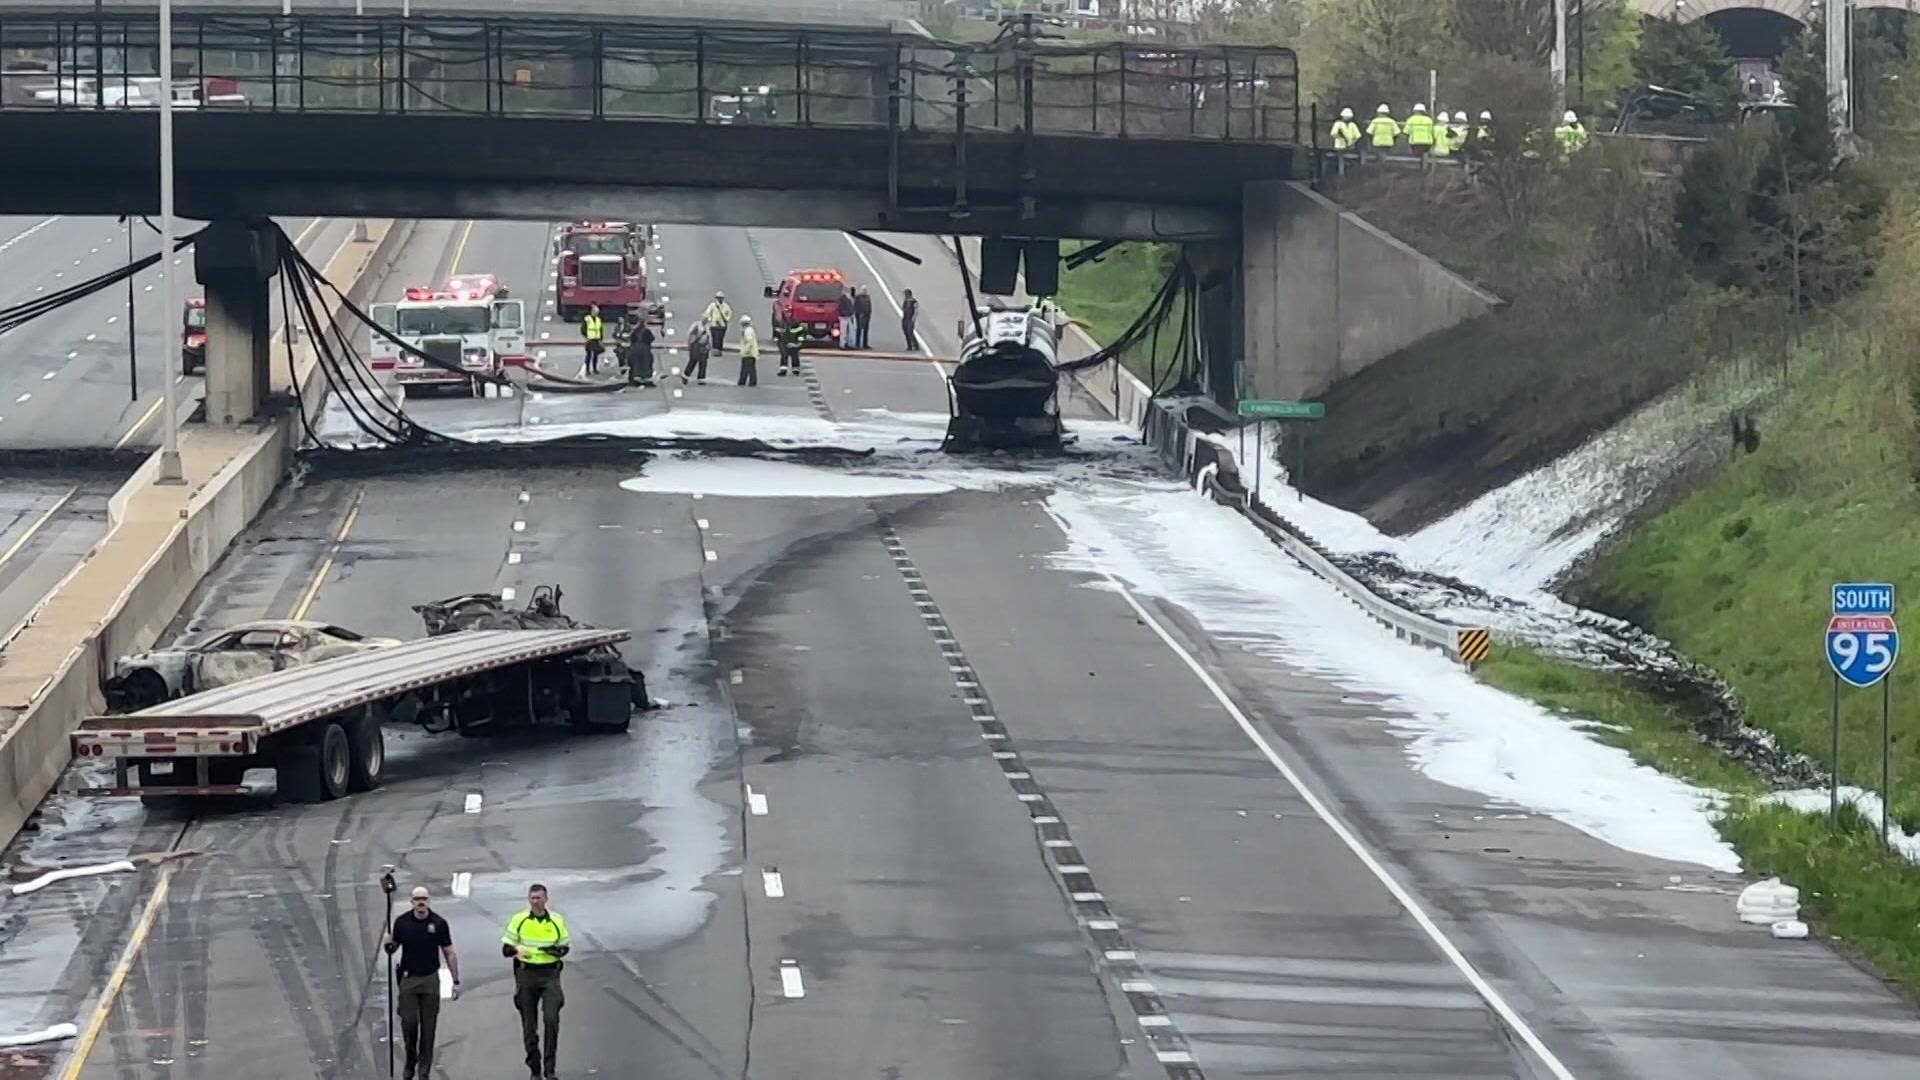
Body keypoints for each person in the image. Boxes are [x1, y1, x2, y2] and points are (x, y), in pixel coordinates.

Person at [385, 885, 460, 1080]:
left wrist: (455, 980)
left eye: (424, 899)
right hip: (409, 979)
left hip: (430, 979)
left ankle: (423, 1071)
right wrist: (389, 944)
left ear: (429, 901)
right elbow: (394, 947)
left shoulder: (439, 923)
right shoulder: (402, 923)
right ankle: (411, 1059)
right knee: (409, 1022)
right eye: (417, 899)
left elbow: (449, 952)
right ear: (411, 901)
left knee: (429, 1027)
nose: (420, 902)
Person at [502, 883, 571, 1080]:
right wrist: (517, 951)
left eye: (539, 898)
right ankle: (535, 1069)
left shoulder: (556, 920)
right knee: (529, 1026)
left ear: (546, 899)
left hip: (549, 975)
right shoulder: (519, 920)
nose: (536, 902)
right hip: (527, 976)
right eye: (532, 898)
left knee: (551, 1019)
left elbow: (565, 947)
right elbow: (505, 950)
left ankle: (550, 1070)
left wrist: (556, 951)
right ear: (529, 900)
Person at [626, 318, 656, 387]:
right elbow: (652, 338)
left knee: (634, 364)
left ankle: (633, 378)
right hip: (644, 350)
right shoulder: (647, 331)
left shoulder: (635, 331)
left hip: (635, 349)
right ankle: (645, 377)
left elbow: (631, 339)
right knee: (647, 363)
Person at [683, 320, 711, 385]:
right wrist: (689, 344)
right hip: (696, 345)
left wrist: (709, 345)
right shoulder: (697, 325)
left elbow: (709, 336)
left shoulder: (707, 326)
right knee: (693, 361)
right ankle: (685, 375)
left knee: (703, 362)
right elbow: (690, 335)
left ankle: (701, 378)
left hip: (704, 347)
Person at [581, 304, 605, 375]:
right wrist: (586, 337)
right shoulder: (587, 319)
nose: (596, 313)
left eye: (597, 312)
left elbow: (600, 330)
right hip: (589, 340)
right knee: (588, 355)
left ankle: (594, 369)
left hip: (596, 340)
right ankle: (587, 370)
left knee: (596, 355)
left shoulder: (598, 319)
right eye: (595, 312)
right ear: (592, 312)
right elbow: (583, 329)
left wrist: (601, 339)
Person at [736, 315, 760, 386]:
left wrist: (746, 351)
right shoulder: (749, 330)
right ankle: (742, 381)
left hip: (749, 353)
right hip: (749, 353)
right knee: (746, 368)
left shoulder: (747, 331)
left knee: (749, 368)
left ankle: (751, 382)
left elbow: (749, 342)